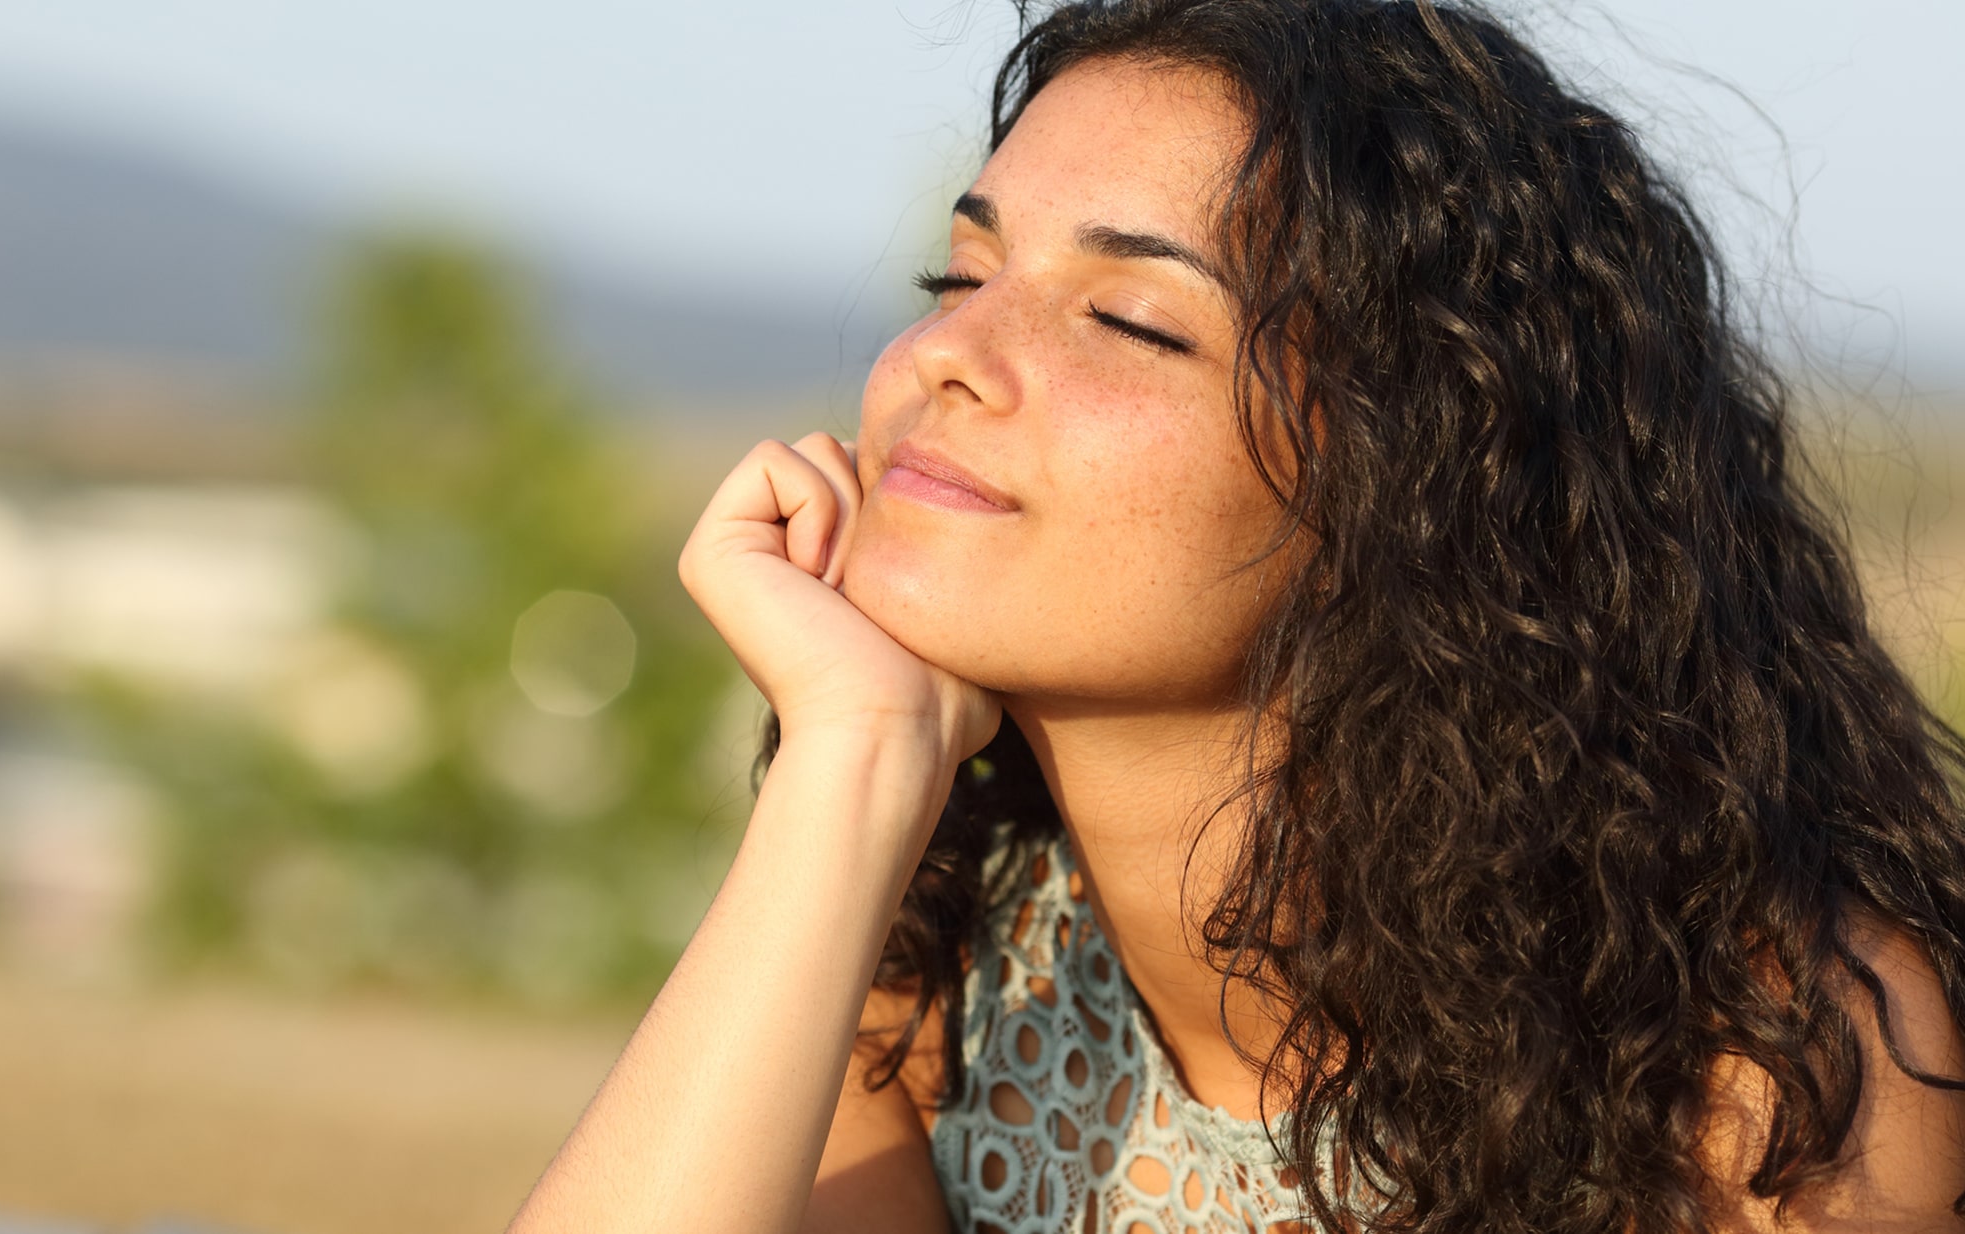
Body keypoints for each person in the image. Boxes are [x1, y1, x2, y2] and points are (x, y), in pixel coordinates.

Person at [509, 1, 1965, 1230]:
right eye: (958, 276)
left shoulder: (1752, 1069)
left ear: (1412, 483)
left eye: (1130, 320)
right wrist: (855, 756)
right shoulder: (936, 960)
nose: (949, 353)